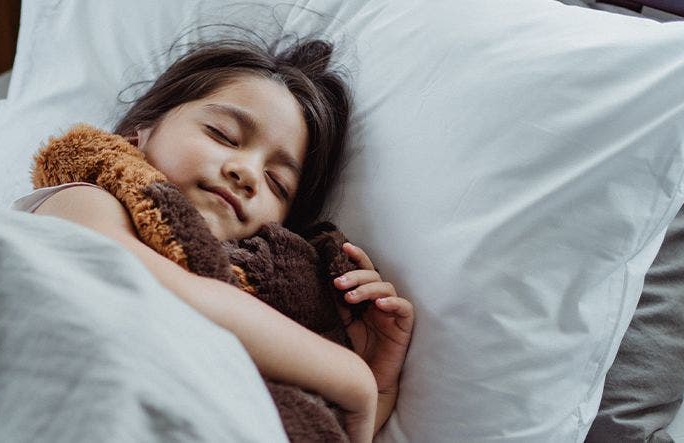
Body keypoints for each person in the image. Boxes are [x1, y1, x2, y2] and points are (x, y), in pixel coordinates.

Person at [24, 37, 414, 442]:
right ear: (141, 132)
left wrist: (378, 382)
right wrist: (349, 377)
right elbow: (137, 280)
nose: (246, 172)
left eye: (276, 183)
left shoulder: (253, 310)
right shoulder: (81, 198)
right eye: (223, 135)